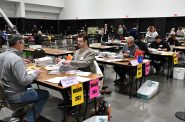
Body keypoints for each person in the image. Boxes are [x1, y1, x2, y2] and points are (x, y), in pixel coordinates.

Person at [0, 35, 49, 122]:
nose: (24, 46)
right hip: (16, 96)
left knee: (30, 86)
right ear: (18, 43)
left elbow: (8, 66)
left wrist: (21, 61)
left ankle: (20, 113)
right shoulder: (16, 59)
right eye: (23, 44)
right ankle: (28, 119)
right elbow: (24, 81)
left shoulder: (2, 56)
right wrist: (36, 73)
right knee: (45, 94)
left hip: (5, 94)